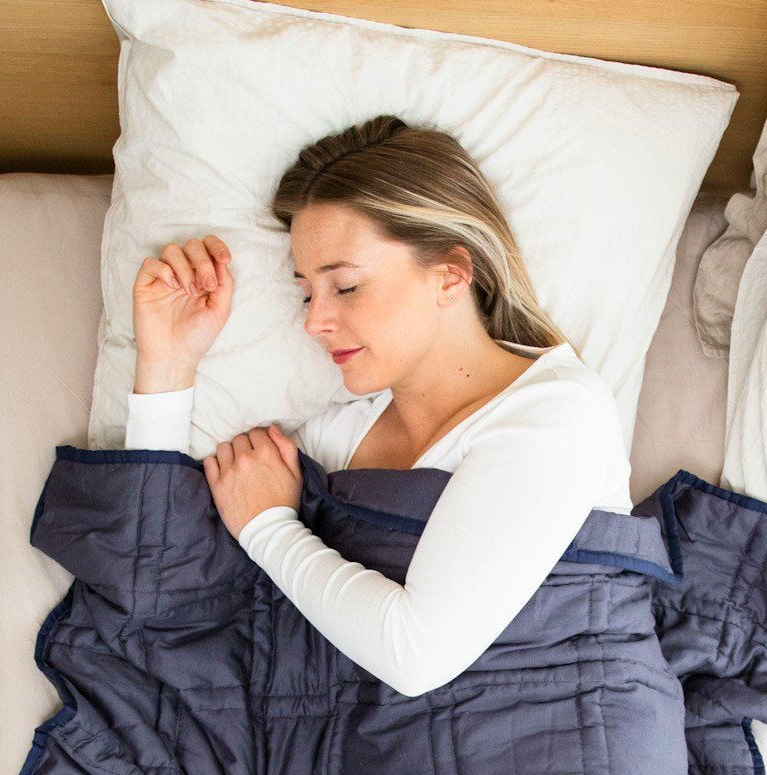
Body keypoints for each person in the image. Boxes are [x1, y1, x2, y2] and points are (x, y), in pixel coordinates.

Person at [124, 114, 633, 697]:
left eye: (345, 286)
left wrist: (269, 530)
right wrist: (166, 360)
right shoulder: (340, 435)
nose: (314, 321)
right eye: (305, 290)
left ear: (450, 274)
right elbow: (158, 562)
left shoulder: (555, 413)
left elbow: (417, 655)